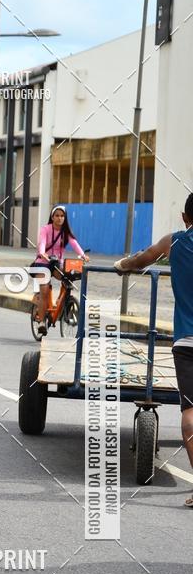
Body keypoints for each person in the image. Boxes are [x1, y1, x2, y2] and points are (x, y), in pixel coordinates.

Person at [115, 193, 193, 507]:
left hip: (187, 343)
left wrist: (122, 266)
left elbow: (142, 259)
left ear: (186, 218)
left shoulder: (173, 242)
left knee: (189, 415)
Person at [31, 204, 89, 336]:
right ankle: (41, 323)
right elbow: (42, 242)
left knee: (68, 278)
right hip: (42, 262)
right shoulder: (45, 229)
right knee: (44, 290)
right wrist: (42, 253)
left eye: (62, 216)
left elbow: (74, 243)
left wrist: (83, 255)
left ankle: (63, 304)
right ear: (52, 217)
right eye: (57, 215)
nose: (59, 218)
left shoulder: (65, 232)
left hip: (57, 263)